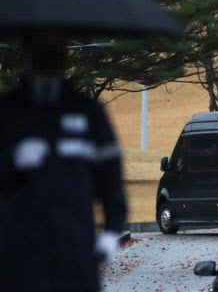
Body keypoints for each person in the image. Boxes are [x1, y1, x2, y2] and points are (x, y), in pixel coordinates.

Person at [0, 29, 127, 292]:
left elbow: (110, 176)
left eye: (56, 45)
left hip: (75, 252)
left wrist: (113, 230)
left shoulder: (87, 111)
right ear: (27, 50)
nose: (49, 51)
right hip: (19, 256)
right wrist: (12, 161)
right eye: (41, 45)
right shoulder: (8, 112)